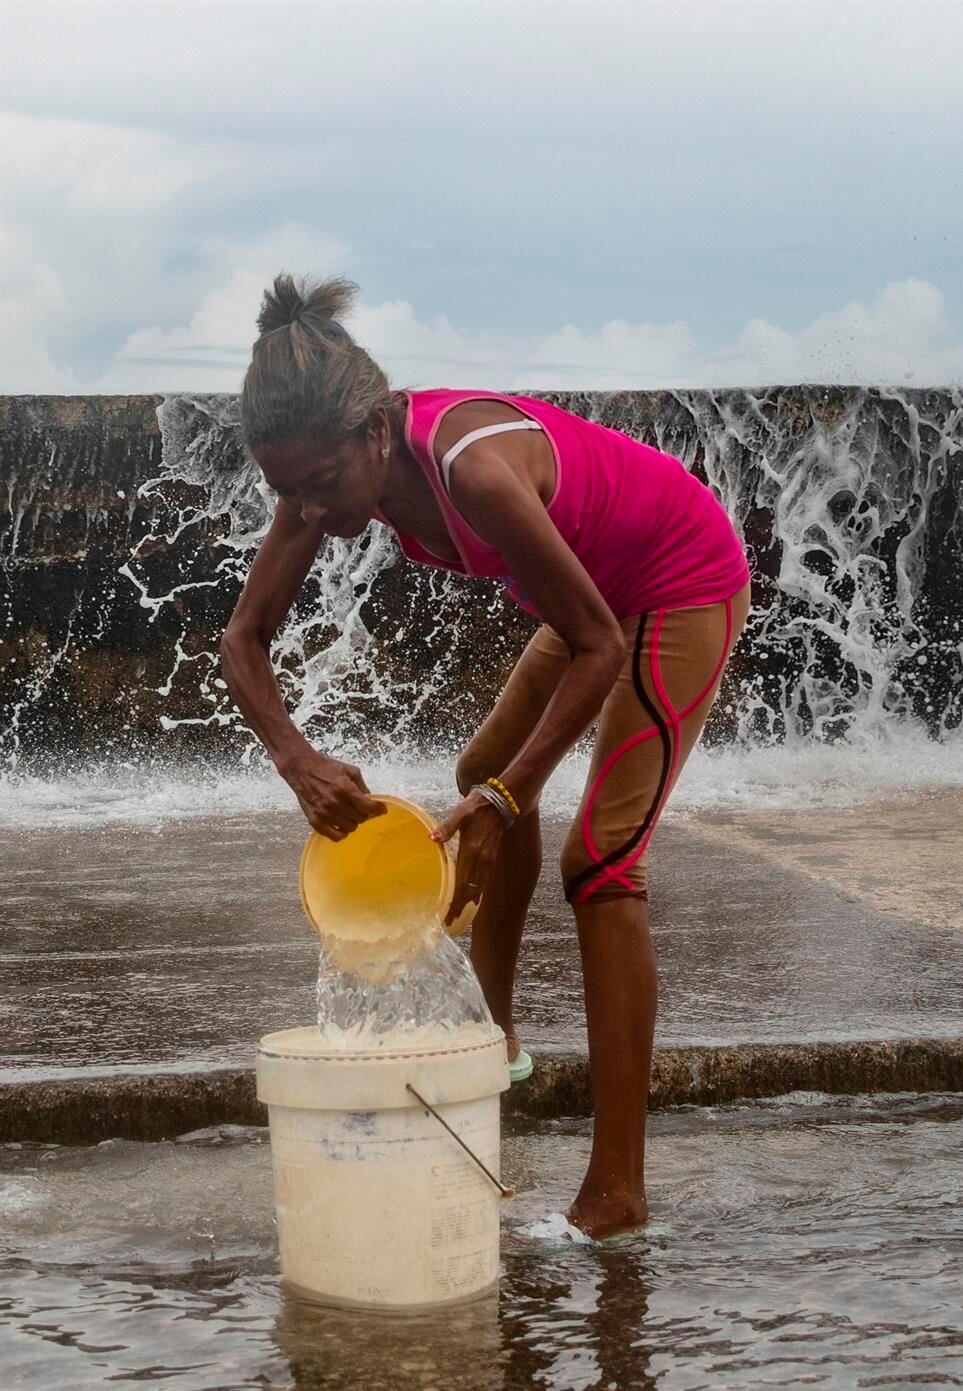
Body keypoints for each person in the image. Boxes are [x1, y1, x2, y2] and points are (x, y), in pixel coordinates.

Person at [221, 274, 751, 1240]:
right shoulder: (323, 476)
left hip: (676, 581)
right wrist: (297, 759)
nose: (304, 507)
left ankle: (618, 1189)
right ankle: (495, 1035)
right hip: (591, 599)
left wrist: (517, 794)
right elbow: (242, 639)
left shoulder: (471, 469)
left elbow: (600, 643)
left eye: (321, 483)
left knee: (602, 864)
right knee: (482, 778)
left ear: (378, 430)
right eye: (284, 489)